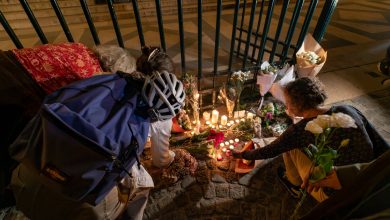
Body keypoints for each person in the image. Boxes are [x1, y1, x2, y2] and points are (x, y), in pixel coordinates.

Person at [9, 56, 185, 219]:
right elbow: (158, 161)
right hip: (71, 208)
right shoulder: (148, 123)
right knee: (142, 185)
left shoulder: (103, 80)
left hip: (24, 177)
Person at [233, 77, 389, 202]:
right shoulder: (347, 109)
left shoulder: (300, 130)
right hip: (372, 177)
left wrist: (242, 154)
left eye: (287, 103)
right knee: (294, 143)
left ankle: (294, 184)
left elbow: (269, 151)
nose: (286, 106)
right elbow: (376, 138)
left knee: (289, 146)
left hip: (336, 195)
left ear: (296, 105)